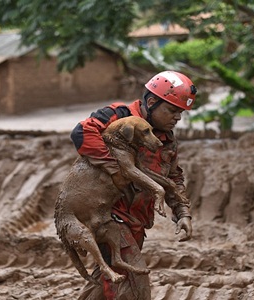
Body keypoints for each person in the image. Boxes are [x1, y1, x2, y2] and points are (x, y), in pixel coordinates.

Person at [71, 70, 197, 300]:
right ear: (151, 102)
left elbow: (173, 176)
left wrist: (182, 212)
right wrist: (115, 169)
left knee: (106, 280)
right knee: (132, 282)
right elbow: (82, 132)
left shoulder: (166, 139)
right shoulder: (119, 115)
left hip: (136, 220)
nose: (177, 118)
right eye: (172, 110)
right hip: (108, 215)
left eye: (180, 113)